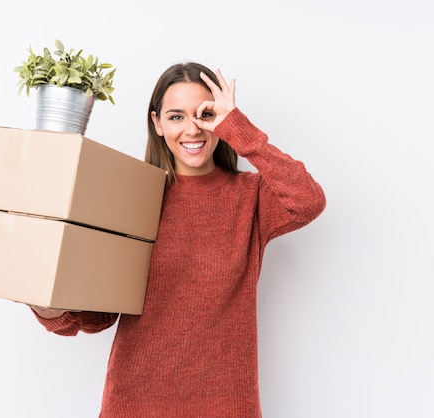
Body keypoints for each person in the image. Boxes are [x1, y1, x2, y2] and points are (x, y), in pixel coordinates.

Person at [29, 62, 326, 417]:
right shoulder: (133, 199)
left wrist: (238, 129)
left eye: (205, 114)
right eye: (175, 117)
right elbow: (101, 314)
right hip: (135, 403)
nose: (192, 129)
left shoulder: (251, 198)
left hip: (226, 406)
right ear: (156, 123)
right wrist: (50, 308)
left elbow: (308, 200)